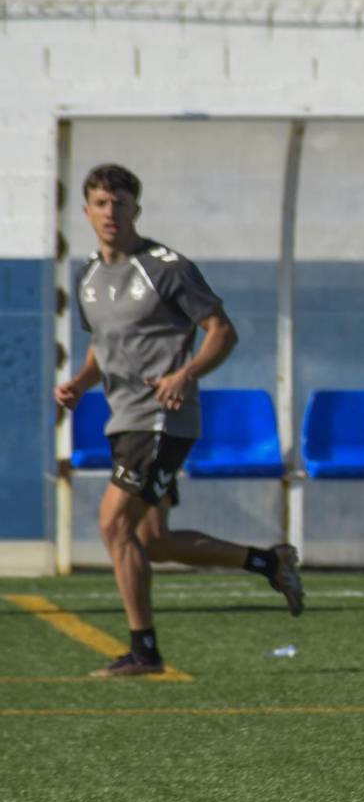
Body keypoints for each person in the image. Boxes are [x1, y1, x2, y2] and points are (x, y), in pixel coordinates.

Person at [55, 163, 304, 677]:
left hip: (161, 420)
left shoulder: (167, 267)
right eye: (100, 203)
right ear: (86, 211)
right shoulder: (88, 277)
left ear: (135, 210)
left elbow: (221, 331)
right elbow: (102, 345)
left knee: (112, 523)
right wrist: (80, 382)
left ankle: (143, 651)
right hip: (123, 420)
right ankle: (270, 563)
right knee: (152, 541)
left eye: (120, 203)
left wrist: (185, 374)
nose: (110, 213)